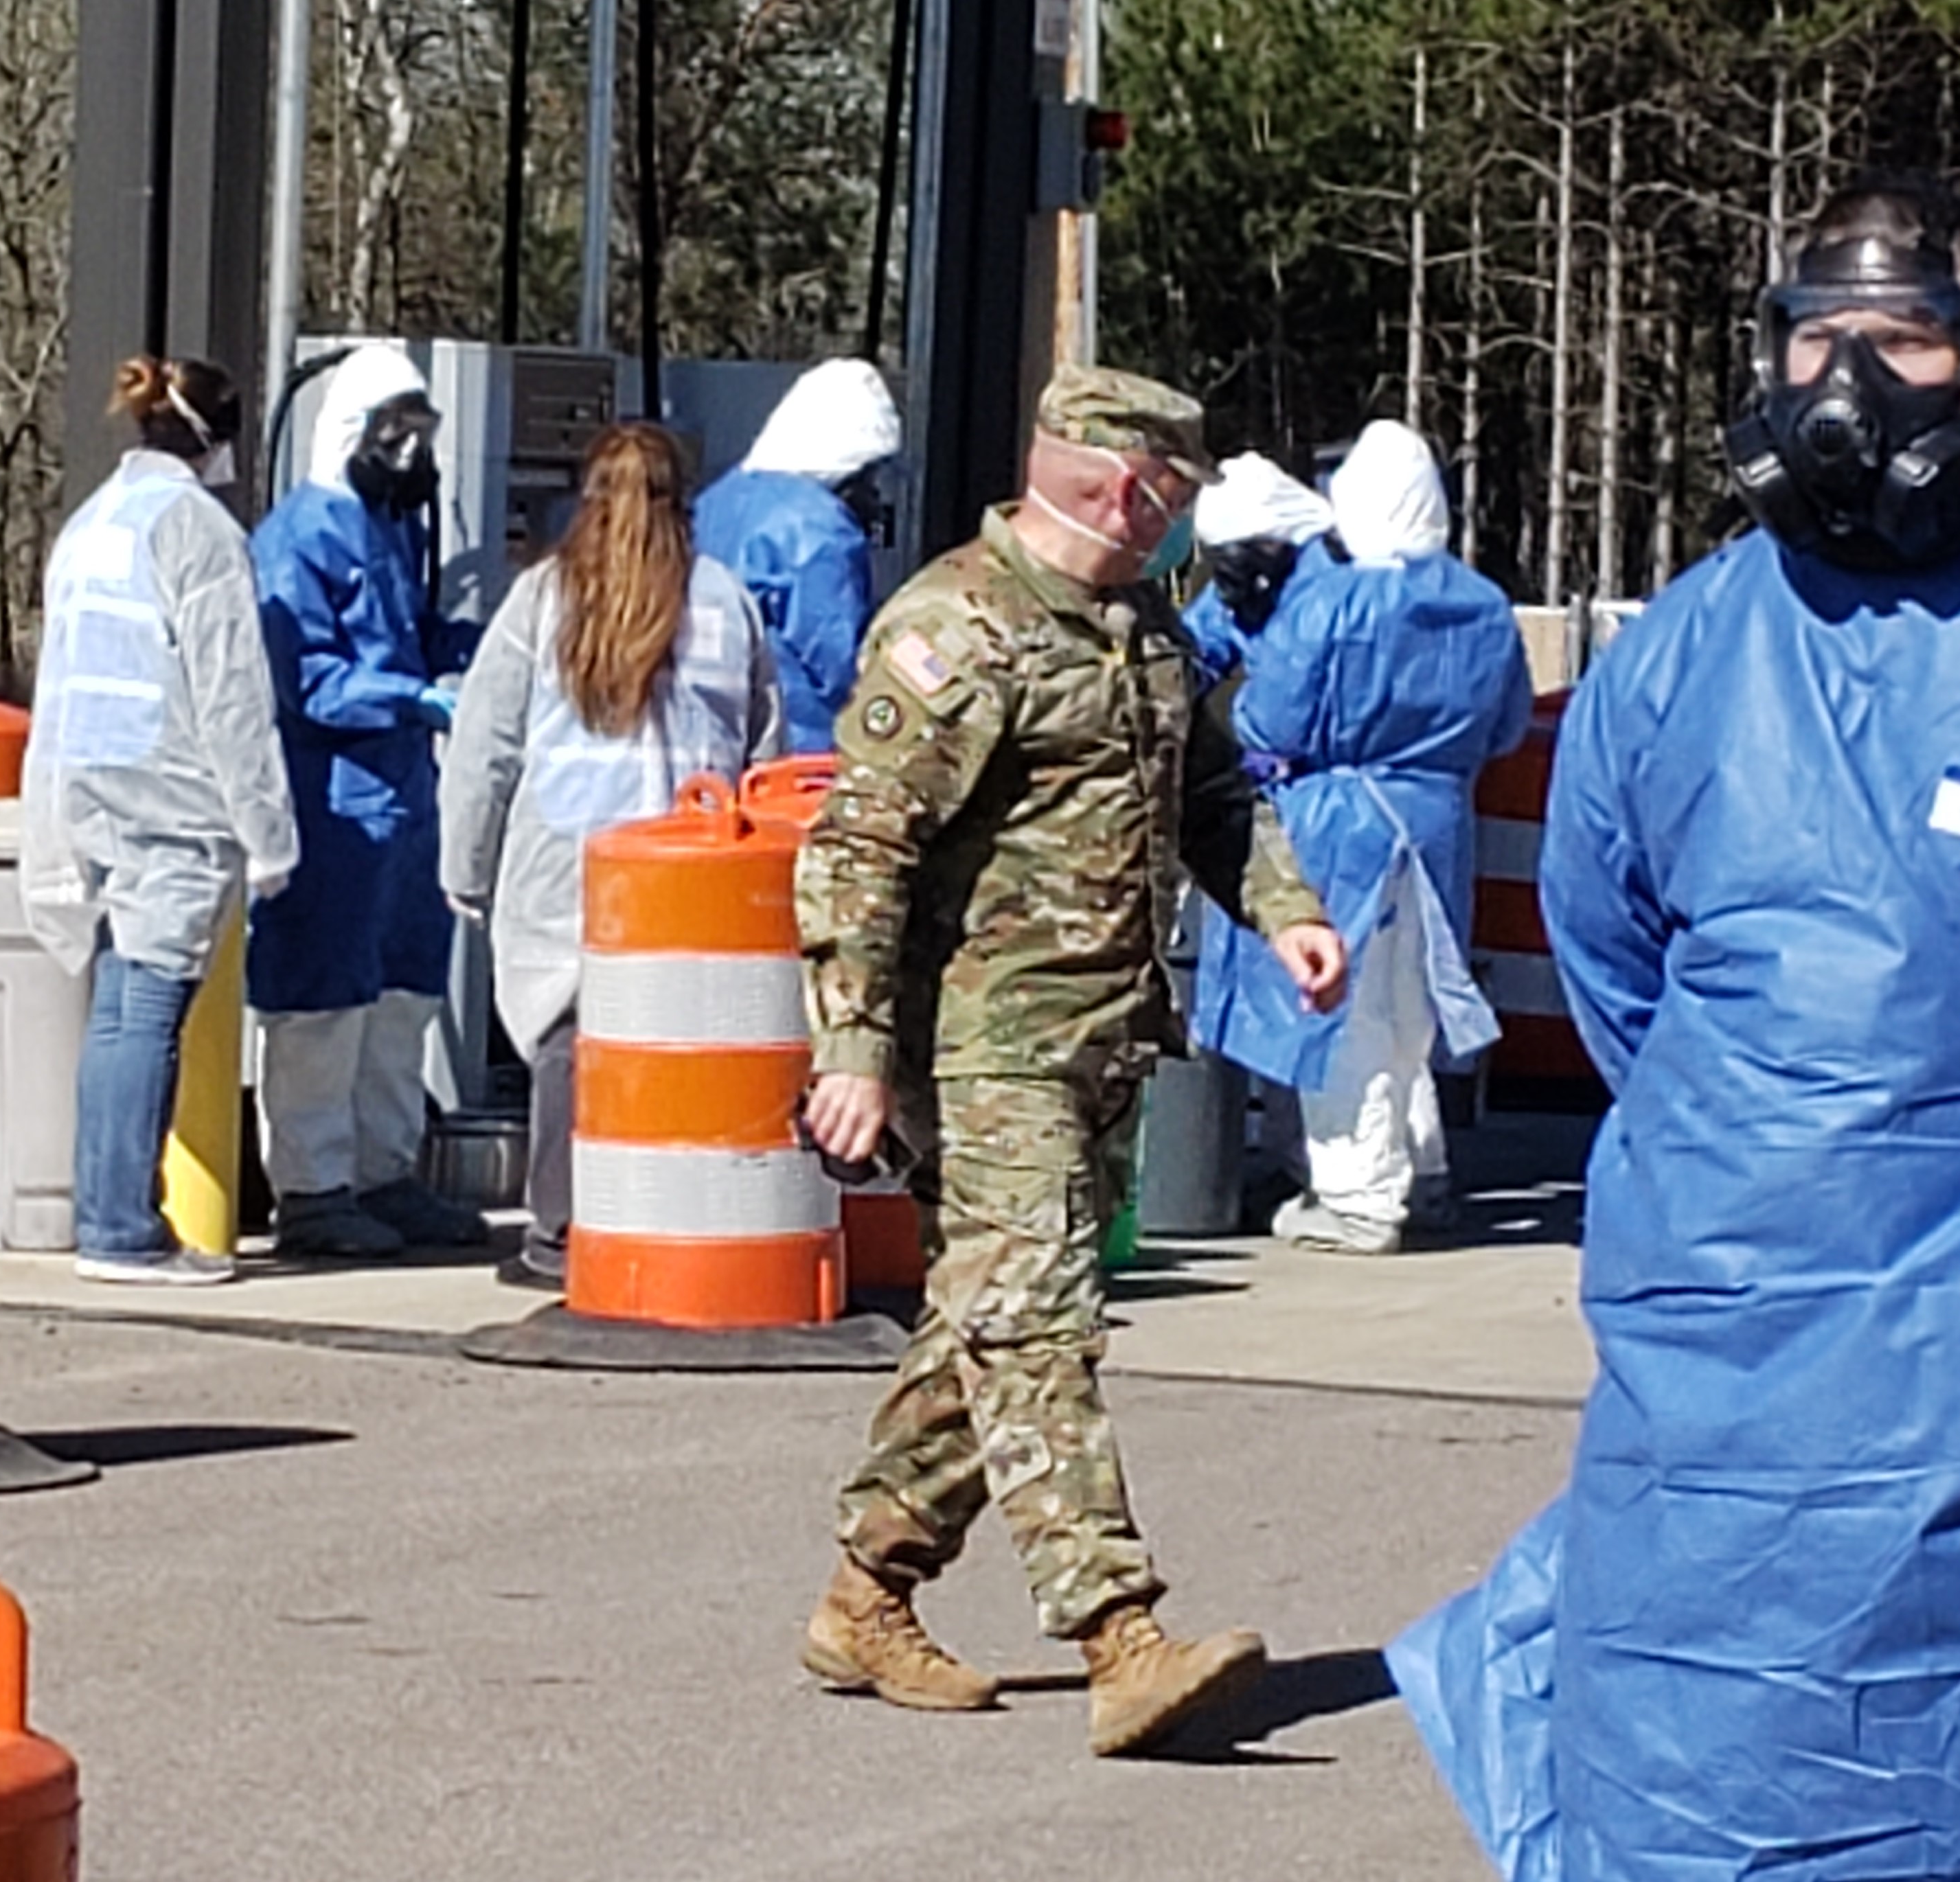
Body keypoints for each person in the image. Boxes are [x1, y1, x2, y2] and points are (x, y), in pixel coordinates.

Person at [1389, 176, 1960, 1881]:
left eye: (1905, 336)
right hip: (1728, 1314)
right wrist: (1761, 1154)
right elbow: (1605, 951)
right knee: (1702, 1736)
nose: (1844, 380)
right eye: (1812, 333)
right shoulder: (1682, 652)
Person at [794, 364, 1349, 1757]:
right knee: (1038, 1327)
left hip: (1102, 1038)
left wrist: (1286, 911)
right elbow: (859, 848)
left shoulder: (1142, 628)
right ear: (1121, 487)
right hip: (982, 1047)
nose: (1182, 521)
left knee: (992, 1325)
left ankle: (867, 1588)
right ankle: (1118, 1632)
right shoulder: (955, 628)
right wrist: (852, 1049)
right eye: (1172, 495)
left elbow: (1210, 791)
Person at [438, 423, 785, 1290]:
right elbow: (765, 742)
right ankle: (664, 1221)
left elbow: (486, 742)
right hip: (690, 860)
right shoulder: (723, 599)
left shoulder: (540, 598)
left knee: (567, 1037)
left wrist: (465, 866)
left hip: (567, 853)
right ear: (685, 502)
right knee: (675, 1040)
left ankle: (557, 1231)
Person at [1194, 420, 1531, 1254]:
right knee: (1408, 1008)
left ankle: (1357, 1195)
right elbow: (1508, 725)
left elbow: (1273, 717)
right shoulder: (1485, 604)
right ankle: (1423, 1171)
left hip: (1334, 820)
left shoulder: (1333, 604)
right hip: (1436, 817)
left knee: (1335, 1009)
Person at [19, 356, 297, 1285]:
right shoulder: (198, 531)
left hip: (93, 781)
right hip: (175, 793)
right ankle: (121, 1226)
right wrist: (267, 834)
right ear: (218, 437)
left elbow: (58, 674)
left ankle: (110, 1211)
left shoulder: (96, 522)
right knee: (148, 1007)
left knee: (117, 1007)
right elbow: (230, 692)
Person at [248, 345, 488, 1257]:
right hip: (330, 799)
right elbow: (305, 676)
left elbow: (410, 634)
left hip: (403, 794)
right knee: (321, 997)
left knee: (402, 988)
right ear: (351, 431)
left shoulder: (392, 528)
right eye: (393, 431)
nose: (408, 451)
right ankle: (312, 1188)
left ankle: (385, 1171)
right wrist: (412, 695)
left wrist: (471, 652)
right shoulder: (299, 536)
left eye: (419, 432)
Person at [692, 358, 901, 750]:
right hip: (794, 751)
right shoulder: (818, 530)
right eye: (869, 477)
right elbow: (841, 663)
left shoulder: (716, 502)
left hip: (708, 736)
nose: (874, 496)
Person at [1178, 449, 1336, 689]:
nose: (1227, 570)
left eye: (1233, 554)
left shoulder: (1335, 579)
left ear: (1271, 541)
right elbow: (1202, 638)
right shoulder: (1245, 589)